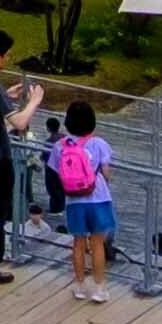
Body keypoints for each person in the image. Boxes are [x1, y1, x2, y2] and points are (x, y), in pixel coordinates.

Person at [49, 99, 116, 304]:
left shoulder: (60, 146)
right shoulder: (99, 144)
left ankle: (78, 285)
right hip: (98, 198)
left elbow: (56, 171)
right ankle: (99, 288)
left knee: (78, 242)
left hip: (74, 200)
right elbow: (106, 172)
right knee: (97, 244)